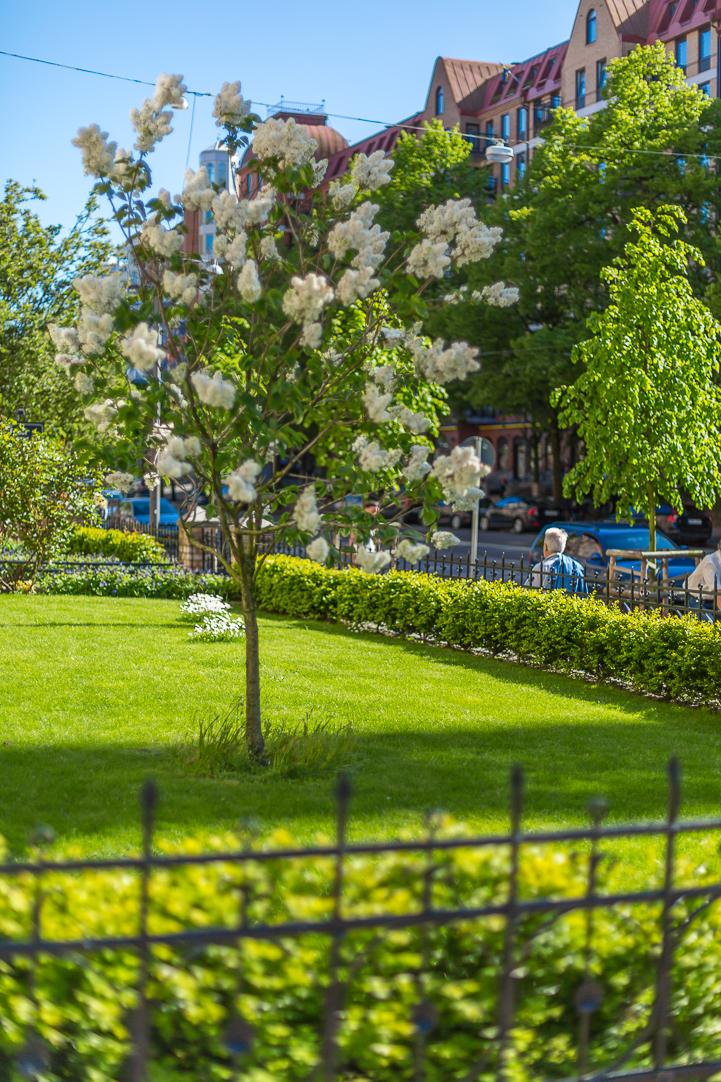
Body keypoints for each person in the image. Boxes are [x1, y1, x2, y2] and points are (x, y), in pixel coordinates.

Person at [529, 527, 588, 595]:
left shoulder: (541, 567)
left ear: (545, 546)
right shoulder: (577, 566)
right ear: (563, 547)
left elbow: (529, 594)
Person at [685, 541, 721, 610]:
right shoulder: (710, 562)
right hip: (696, 600)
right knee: (709, 621)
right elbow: (718, 593)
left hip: (712, 600)